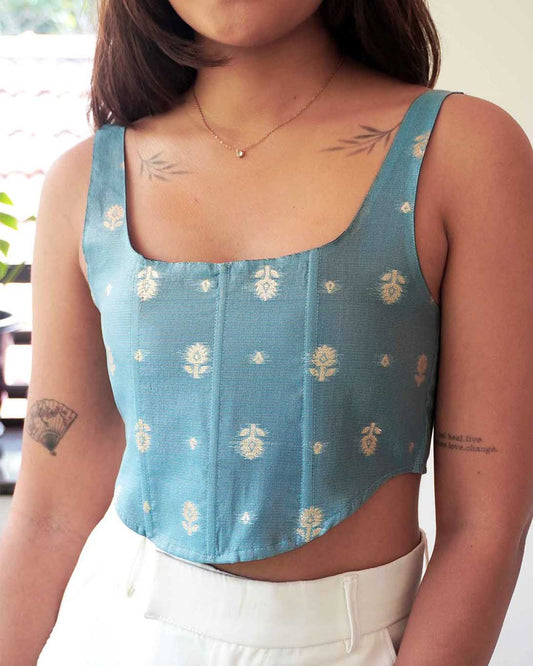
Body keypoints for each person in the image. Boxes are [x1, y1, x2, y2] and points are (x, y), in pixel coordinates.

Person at [1, 0, 532, 664]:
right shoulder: (86, 182)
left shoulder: (463, 150)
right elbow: (50, 514)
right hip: (110, 629)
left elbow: (485, 525)